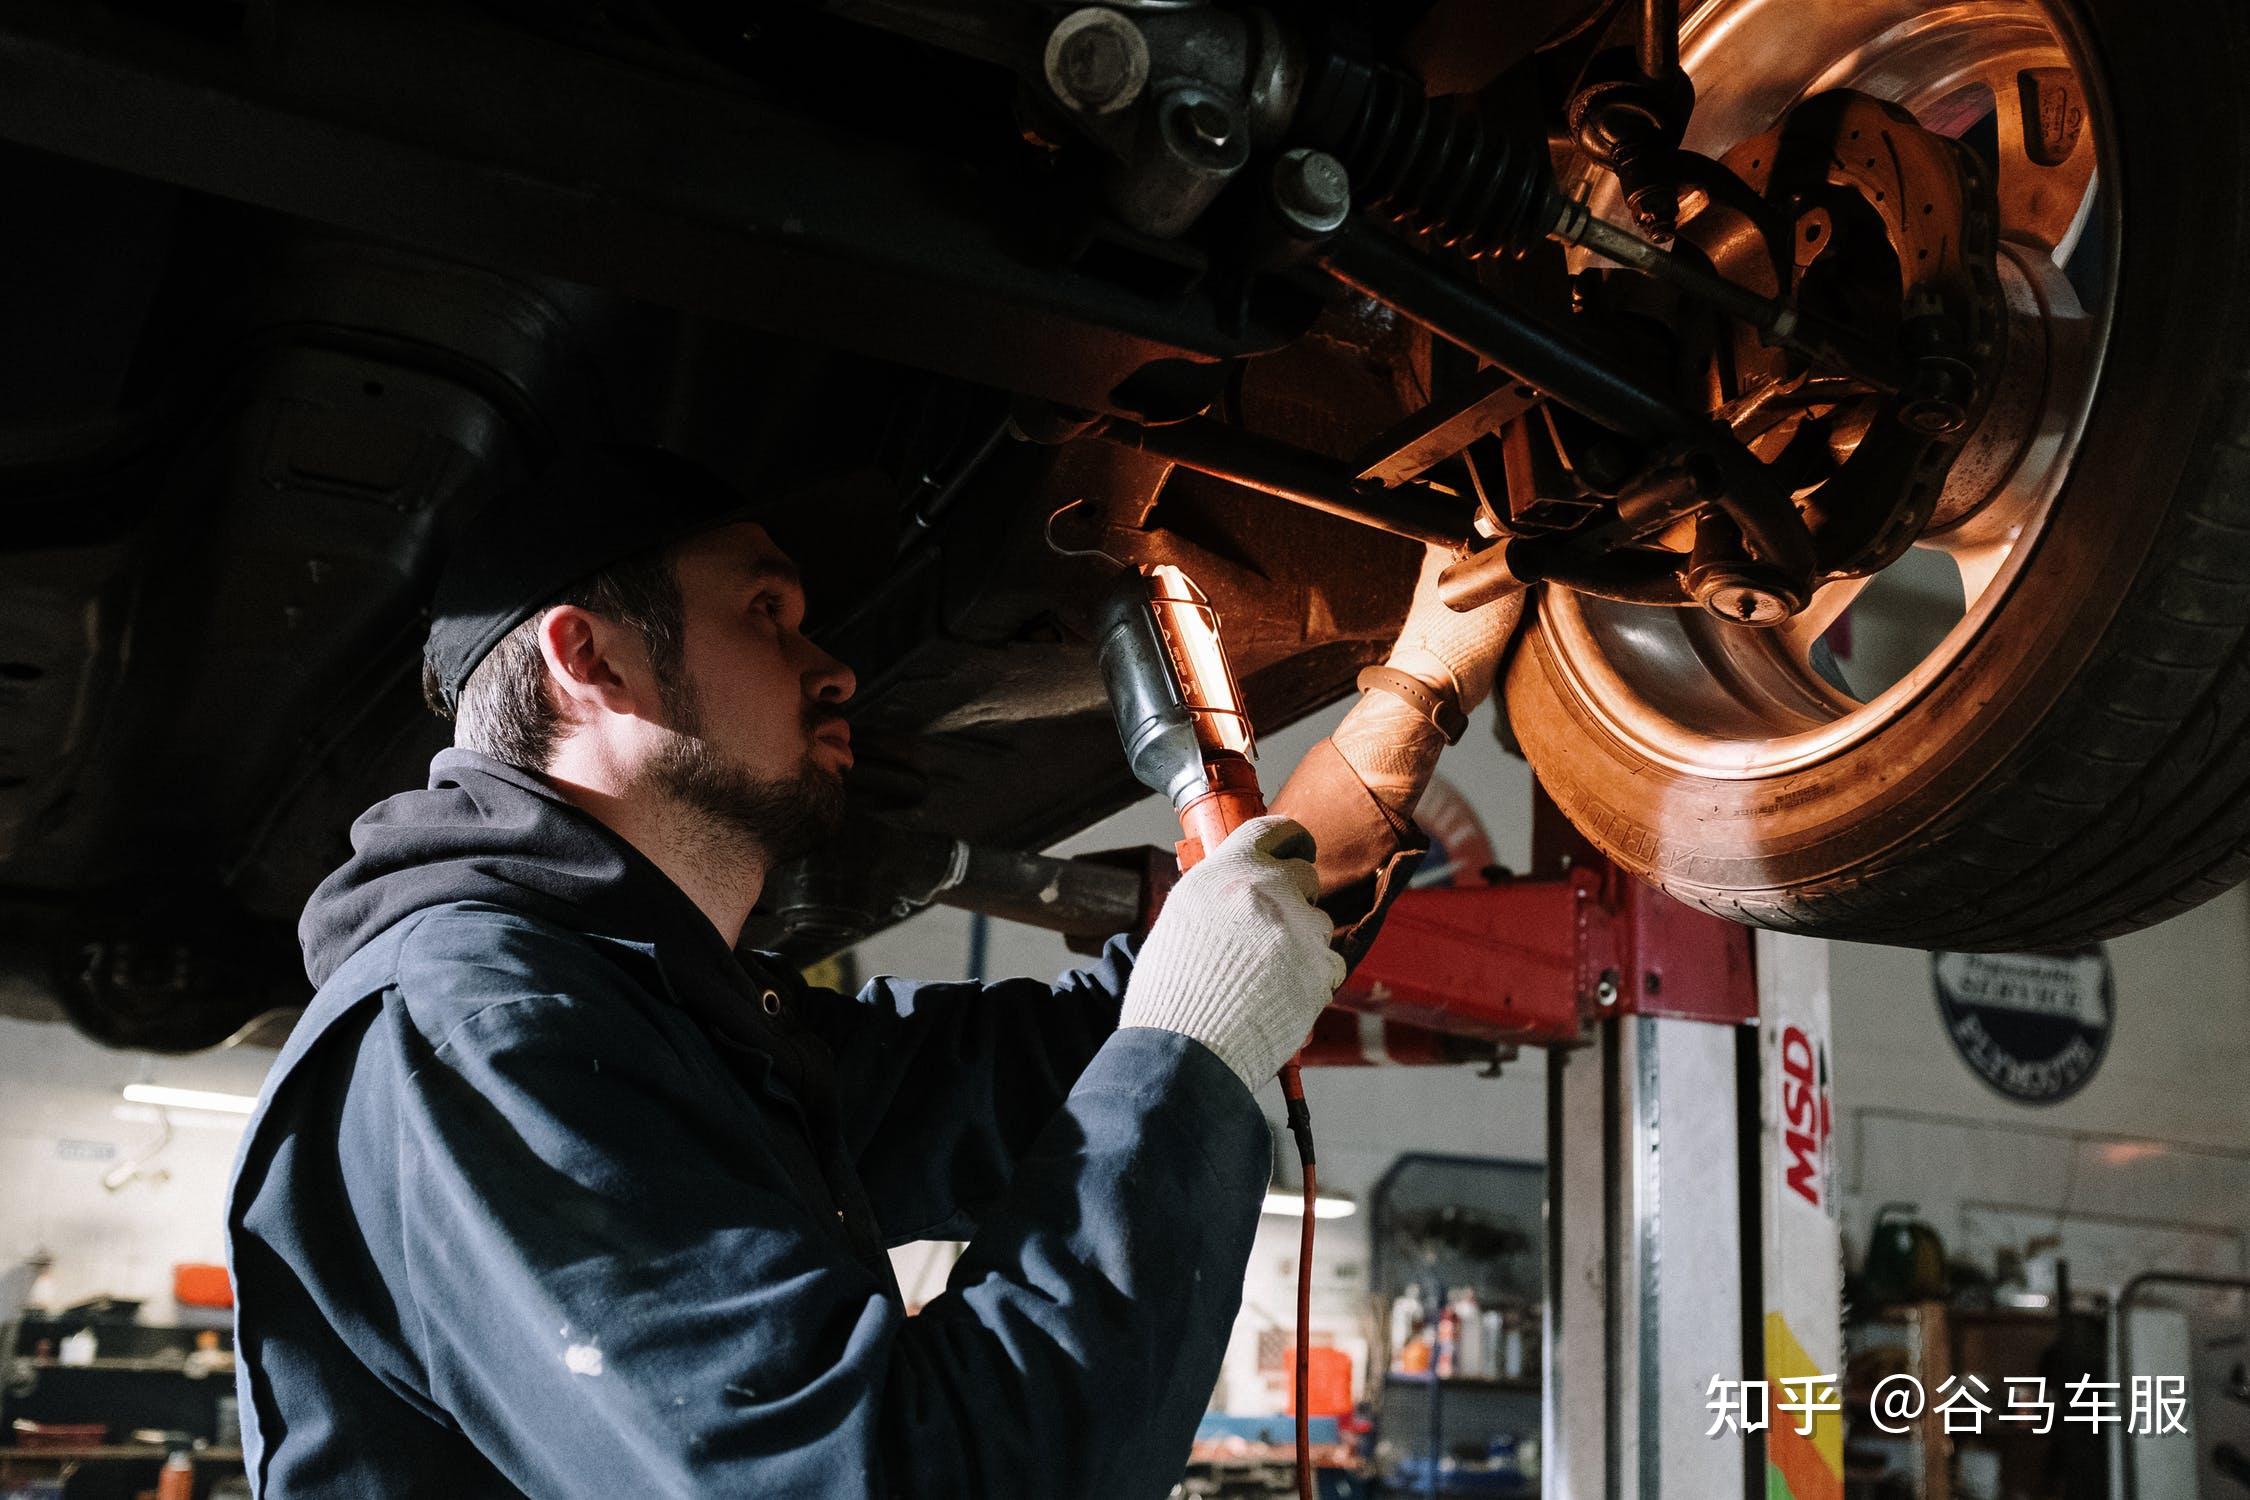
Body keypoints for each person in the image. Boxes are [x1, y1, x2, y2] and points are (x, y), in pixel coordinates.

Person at [225, 444, 1518, 1497]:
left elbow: (1077, 1061)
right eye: (766, 612)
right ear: (590, 659)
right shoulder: (466, 1035)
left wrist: (1414, 696)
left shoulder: (670, 1022)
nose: (833, 662)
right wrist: (1193, 1048)